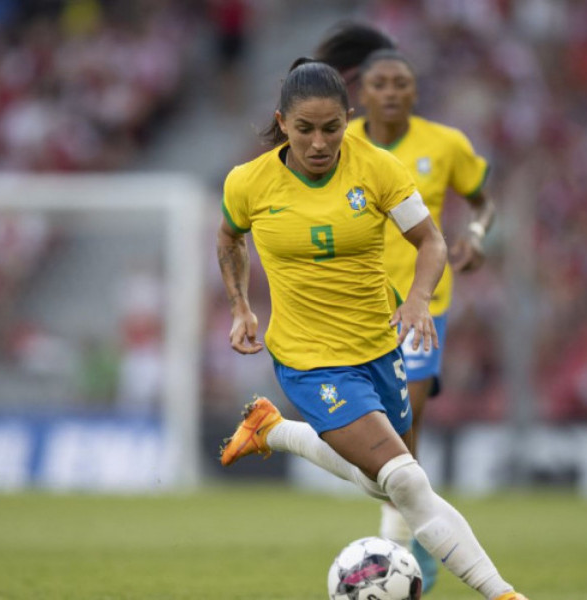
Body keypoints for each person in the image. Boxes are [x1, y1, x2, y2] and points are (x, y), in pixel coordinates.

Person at [217, 58, 527, 600]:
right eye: (305, 129)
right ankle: (503, 593)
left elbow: (430, 242)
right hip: (308, 359)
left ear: (347, 119)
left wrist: (418, 300)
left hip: (379, 348)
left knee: (390, 482)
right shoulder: (249, 182)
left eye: (332, 128)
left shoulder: (377, 168)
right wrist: (242, 306)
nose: (319, 142)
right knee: (407, 479)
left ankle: (274, 431)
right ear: (282, 123)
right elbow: (228, 239)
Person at [315, 25, 496, 592]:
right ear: (361, 94)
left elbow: (482, 200)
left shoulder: (445, 144)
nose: (391, 92)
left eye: (402, 84)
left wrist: (478, 233)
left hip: (423, 305)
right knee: (373, 432)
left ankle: (402, 540)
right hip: (356, 305)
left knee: (405, 419)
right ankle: (411, 526)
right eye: (380, 84)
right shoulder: (338, 147)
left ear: (416, 93)